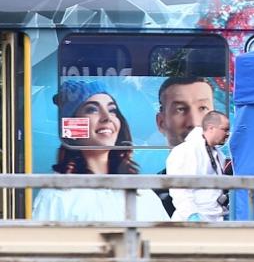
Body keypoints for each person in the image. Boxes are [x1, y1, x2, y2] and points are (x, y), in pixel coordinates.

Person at [33, 78, 169, 222]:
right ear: (73, 125)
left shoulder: (141, 191)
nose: (107, 118)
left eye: (112, 110)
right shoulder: (57, 194)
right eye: (92, 109)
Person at [154, 76, 218, 216]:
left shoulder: (235, 182)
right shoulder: (151, 196)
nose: (194, 122)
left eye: (203, 108)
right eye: (181, 109)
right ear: (161, 123)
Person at [167, 111, 232, 221]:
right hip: (194, 221)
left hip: (215, 218)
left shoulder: (219, 155)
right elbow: (179, 189)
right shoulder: (185, 151)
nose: (227, 134)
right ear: (211, 128)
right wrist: (191, 216)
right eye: (225, 129)